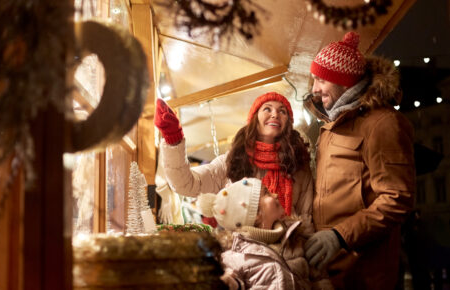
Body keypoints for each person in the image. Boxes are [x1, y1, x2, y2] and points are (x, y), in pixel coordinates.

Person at [303, 31, 416, 289]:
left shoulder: (382, 124)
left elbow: (397, 198)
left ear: (344, 81)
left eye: (321, 80)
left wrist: (339, 236)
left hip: (365, 273)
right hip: (329, 270)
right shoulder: (332, 125)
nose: (315, 89)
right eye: (314, 80)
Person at [154, 91, 314, 227]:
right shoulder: (232, 161)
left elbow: (306, 219)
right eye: (267, 108)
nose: (275, 114)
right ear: (254, 119)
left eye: (283, 111)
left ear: (288, 123)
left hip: (287, 255)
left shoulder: (297, 165)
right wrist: (173, 139)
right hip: (240, 253)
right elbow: (187, 184)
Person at [198, 177, 333, 290]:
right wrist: (235, 284)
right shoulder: (235, 257)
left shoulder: (294, 236)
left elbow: (320, 279)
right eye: (267, 193)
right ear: (256, 214)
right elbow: (231, 281)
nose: (275, 194)